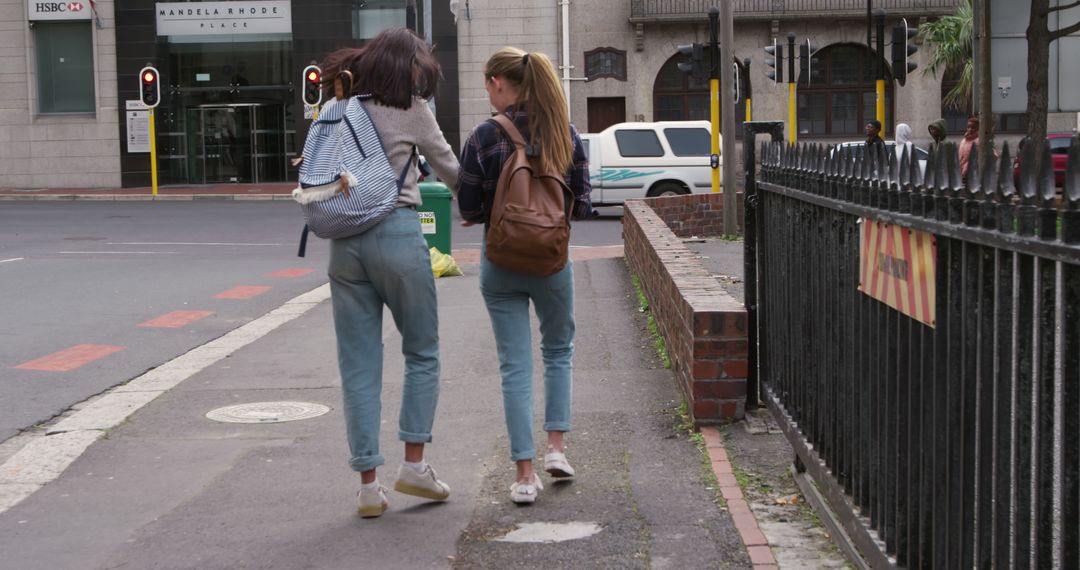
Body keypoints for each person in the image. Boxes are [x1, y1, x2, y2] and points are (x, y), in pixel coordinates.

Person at [317, 28, 460, 519]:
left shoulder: (339, 106)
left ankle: (368, 487)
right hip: (396, 233)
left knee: (358, 364)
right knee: (421, 350)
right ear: (409, 66)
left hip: (343, 243)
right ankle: (414, 466)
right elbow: (452, 170)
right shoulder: (412, 110)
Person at [457, 46, 592, 504]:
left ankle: (524, 475)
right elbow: (584, 202)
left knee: (514, 366)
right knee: (557, 351)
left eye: (486, 84)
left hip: (501, 265)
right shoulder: (564, 131)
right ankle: (557, 449)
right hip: (552, 262)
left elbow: (470, 207)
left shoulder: (483, 136)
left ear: (498, 83)